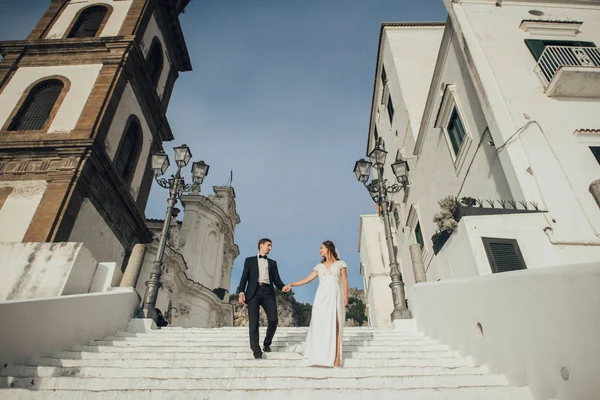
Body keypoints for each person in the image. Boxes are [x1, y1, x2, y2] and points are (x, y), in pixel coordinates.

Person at [283, 240, 349, 367]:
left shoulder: (341, 264)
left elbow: (345, 280)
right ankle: (319, 354)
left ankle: (336, 358)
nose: (320, 251)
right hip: (321, 298)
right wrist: (292, 284)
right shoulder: (319, 267)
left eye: (322, 248)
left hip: (335, 296)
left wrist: (346, 295)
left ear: (329, 248)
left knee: (336, 324)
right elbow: (307, 280)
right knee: (320, 325)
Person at [237, 238, 287, 359]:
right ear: (261, 245)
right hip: (253, 292)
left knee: (274, 320)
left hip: (268, 292)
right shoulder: (249, 261)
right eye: (268, 245)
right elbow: (244, 277)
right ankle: (256, 351)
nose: (270, 248)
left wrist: (283, 287)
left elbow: (277, 280)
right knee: (254, 323)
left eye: (271, 246)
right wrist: (241, 292)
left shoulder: (273, 263)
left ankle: (266, 344)